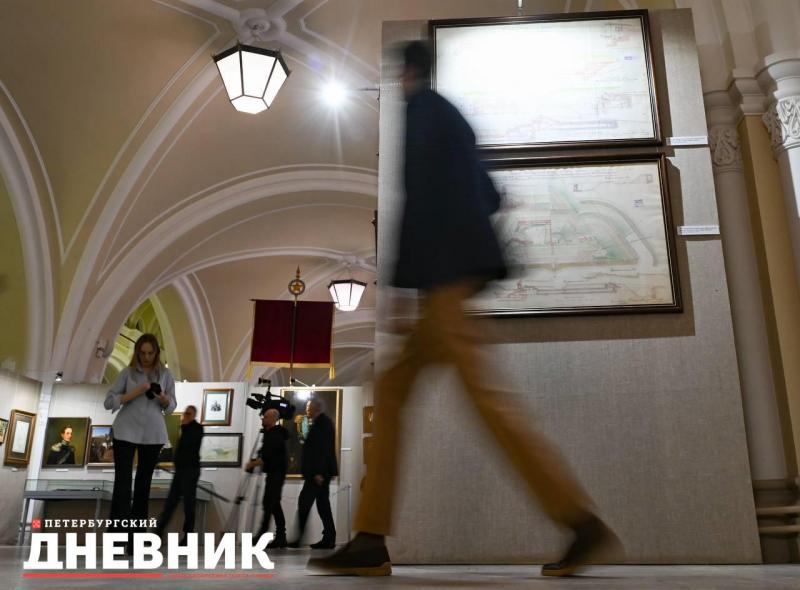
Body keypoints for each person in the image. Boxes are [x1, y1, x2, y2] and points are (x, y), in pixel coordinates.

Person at [309, 40, 620, 578]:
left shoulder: (421, 112)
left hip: (443, 280)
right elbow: (491, 194)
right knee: (397, 391)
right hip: (455, 275)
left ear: (406, 72)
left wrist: (400, 288)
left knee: (489, 403)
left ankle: (580, 520)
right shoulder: (452, 116)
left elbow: (417, 196)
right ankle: (370, 536)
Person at [104, 333, 177, 545]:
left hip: (153, 434)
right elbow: (108, 402)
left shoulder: (166, 374)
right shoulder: (127, 373)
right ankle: (117, 539)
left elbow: (172, 406)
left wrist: (163, 398)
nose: (146, 357)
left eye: (150, 353)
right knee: (122, 485)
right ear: (137, 352)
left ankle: (136, 540)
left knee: (143, 487)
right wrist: (135, 392)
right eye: (142, 353)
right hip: (125, 431)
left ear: (156, 353)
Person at [289, 398, 338, 549]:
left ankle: (302, 538)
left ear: (317, 408)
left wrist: (318, 473)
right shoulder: (320, 423)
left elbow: (322, 450)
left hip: (317, 474)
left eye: (309, 407)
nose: (306, 409)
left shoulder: (323, 424)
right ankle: (328, 537)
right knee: (322, 505)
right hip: (318, 473)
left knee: (306, 503)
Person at [155, 405, 204, 543]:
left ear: (193, 415)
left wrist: (185, 425)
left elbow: (190, 444)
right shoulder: (185, 429)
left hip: (191, 471)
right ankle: (158, 532)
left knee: (189, 505)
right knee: (170, 503)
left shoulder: (197, 428)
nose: (185, 416)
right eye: (185, 413)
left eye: (188, 414)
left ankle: (188, 536)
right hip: (181, 471)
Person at [245, 408, 289, 548]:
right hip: (274, 473)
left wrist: (252, 464)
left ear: (273, 419)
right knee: (274, 504)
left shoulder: (275, 435)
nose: (263, 418)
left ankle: (262, 536)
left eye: (266, 417)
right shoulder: (271, 433)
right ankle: (281, 537)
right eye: (263, 416)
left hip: (276, 473)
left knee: (269, 503)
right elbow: (265, 453)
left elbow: (267, 456)